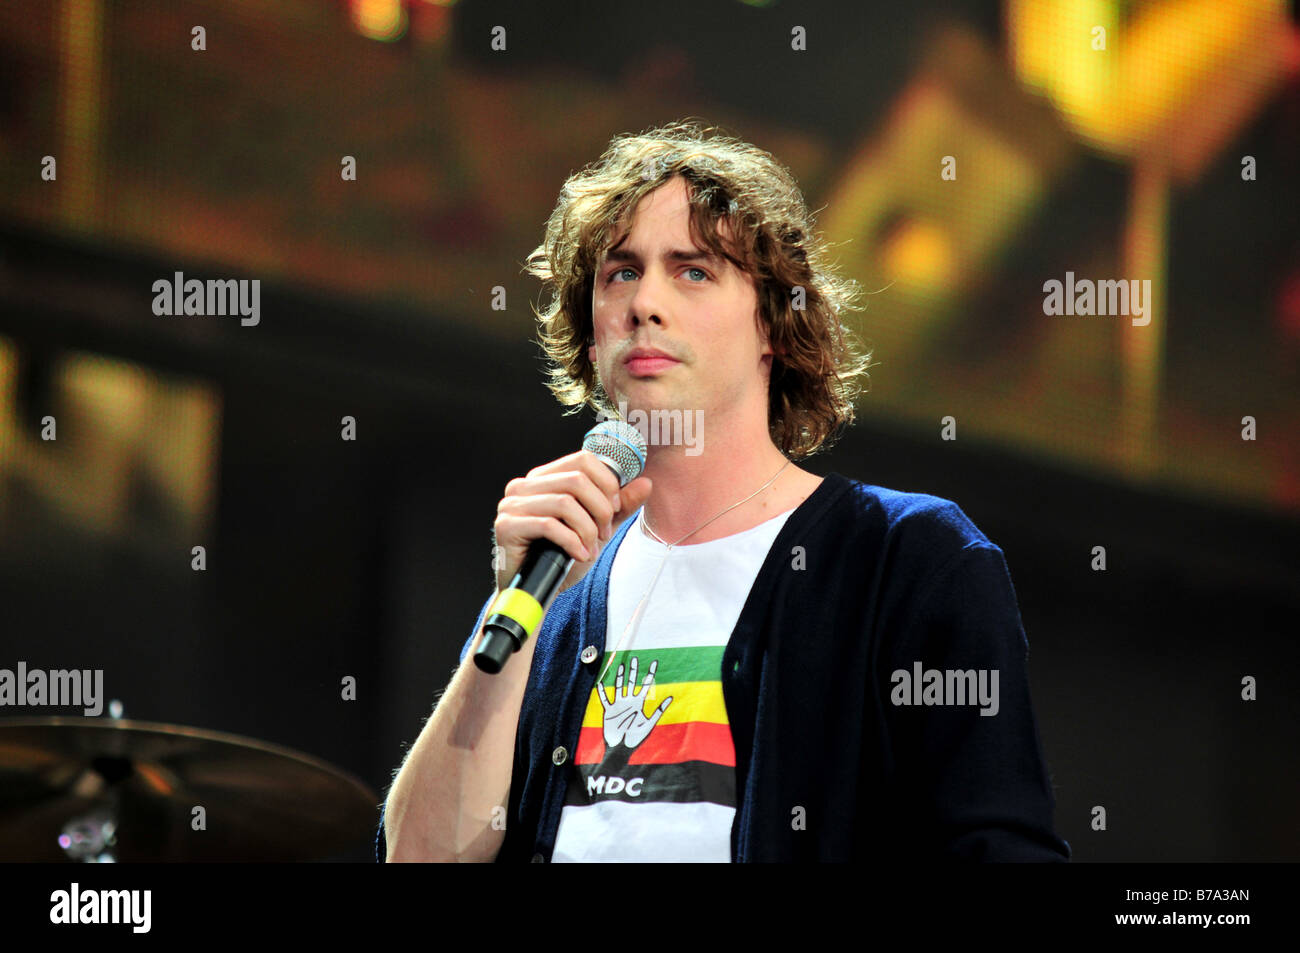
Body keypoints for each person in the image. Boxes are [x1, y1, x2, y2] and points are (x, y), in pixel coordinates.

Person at [380, 119, 1070, 862]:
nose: (646, 302)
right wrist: (509, 616)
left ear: (774, 323)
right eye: (621, 272)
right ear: (592, 341)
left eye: (694, 270)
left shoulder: (908, 560)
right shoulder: (552, 590)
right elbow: (418, 857)